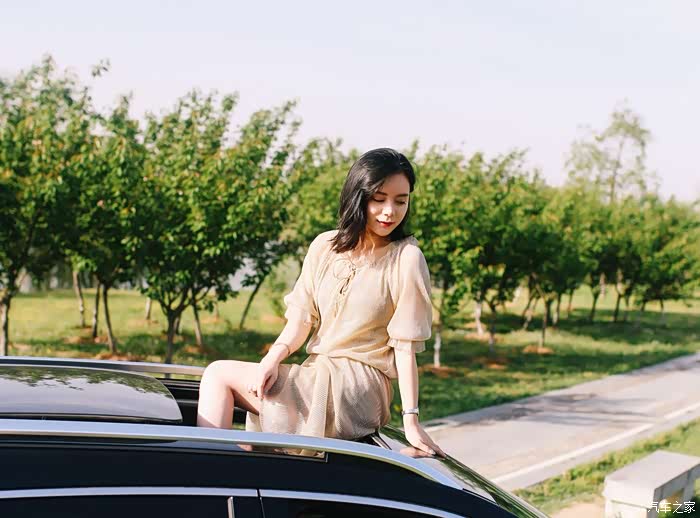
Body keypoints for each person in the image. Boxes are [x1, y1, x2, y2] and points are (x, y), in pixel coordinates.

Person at [197, 147, 445, 457]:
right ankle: (223, 470)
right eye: (378, 199)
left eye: (400, 201)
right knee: (254, 444)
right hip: (317, 373)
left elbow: (405, 348)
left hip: (359, 385)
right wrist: (271, 359)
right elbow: (301, 321)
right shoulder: (324, 247)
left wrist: (411, 420)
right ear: (357, 196)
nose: (389, 212)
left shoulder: (406, 258)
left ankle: (206, 469)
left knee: (218, 374)